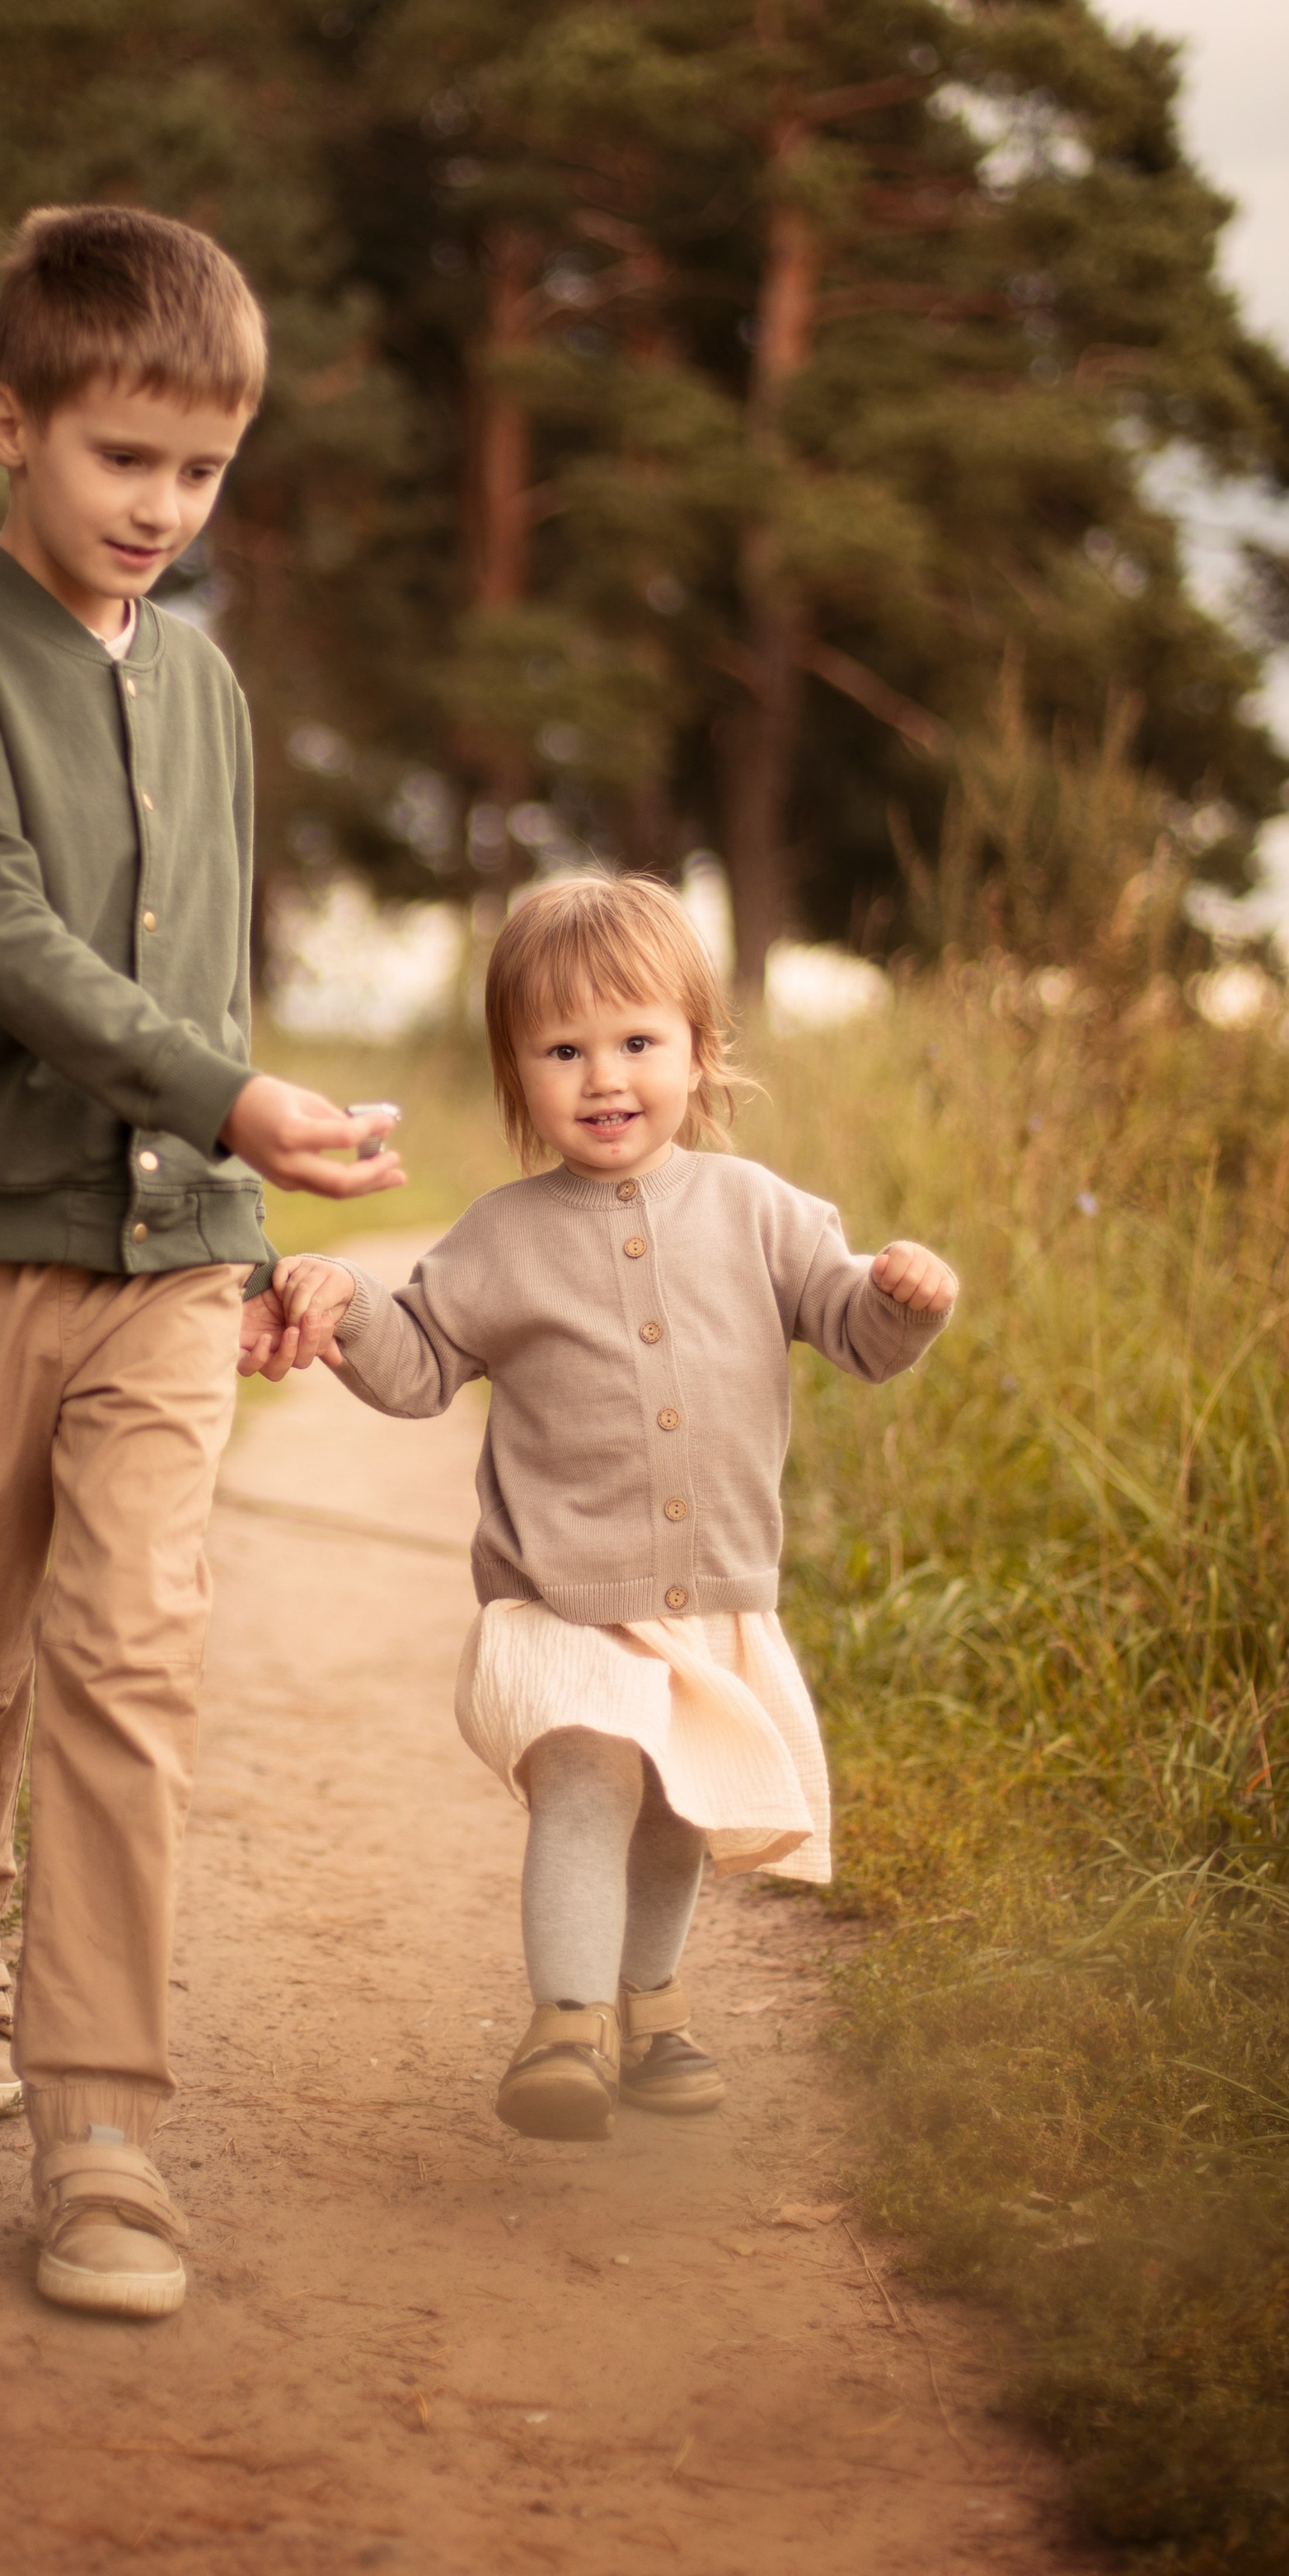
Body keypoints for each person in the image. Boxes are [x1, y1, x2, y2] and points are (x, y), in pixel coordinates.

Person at [0, 204, 403, 2316]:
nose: (162, 507)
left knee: (131, 1656)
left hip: (159, 1264)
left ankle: (99, 2136)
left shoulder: (210, 690)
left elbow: (203, 974)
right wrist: (231, 1104)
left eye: (202, 469)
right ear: (11, 424)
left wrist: (234, 1225)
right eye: (122, 457)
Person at [266, 873, 956, 2141]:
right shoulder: (498, 1238)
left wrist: (902, 1300)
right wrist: (348, 1301)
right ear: (516, 1074)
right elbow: (417, 1370)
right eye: (563, 1051)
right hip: (560, 1599)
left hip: (711, 1594)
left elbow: (856, 1332)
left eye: (638, 1042)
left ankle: (656, 2006)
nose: (604, 1078)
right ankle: (567, 2026)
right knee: (586, 1781)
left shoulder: (761, 1213)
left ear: (699, 1050)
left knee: (676, 1813)